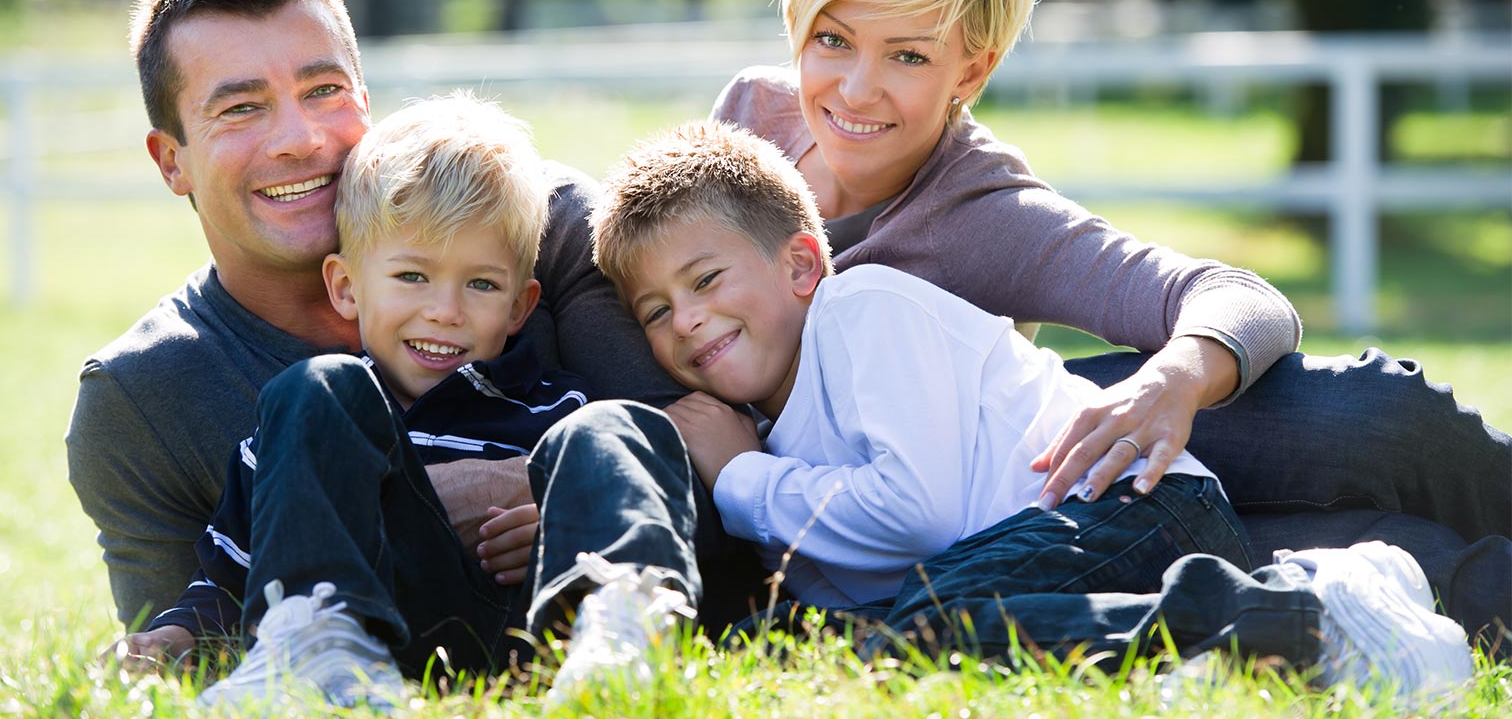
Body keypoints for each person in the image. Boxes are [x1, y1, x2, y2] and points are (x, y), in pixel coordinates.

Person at [706, 0, 1509, 647]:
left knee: (1370, 415)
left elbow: (1233, 295)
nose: (854, 89)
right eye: (832, 40)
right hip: (934, 515)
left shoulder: (981, 212)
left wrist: (1174, 379)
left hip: (1023, 463)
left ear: (972, 70)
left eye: (908, 56)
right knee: (1351, 552)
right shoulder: (751, 122)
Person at [588, 120, 1473, 701]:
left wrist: (739, 478)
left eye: (705, 281)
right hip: (1050, 557)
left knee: (930, 624)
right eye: (657, 311)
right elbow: (852, 592)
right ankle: (1207, 660)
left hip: (1126, 501)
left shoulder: (862, 312)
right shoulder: (768, 429)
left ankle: (1308, 610)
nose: (688, 318)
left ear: (801, 266)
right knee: (896, 643)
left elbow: (916, 510)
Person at [65, 0, 682, 633]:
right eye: (241, 108)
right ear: (171, 162)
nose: (297, 139)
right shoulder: (140, 398)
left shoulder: (546, 228)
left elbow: (694, 472)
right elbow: (194, 651)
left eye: (323, 90)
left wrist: (553, 488)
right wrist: (384, 509)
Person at [116, 95, 599, 705]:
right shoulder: (310, 423)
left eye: (480, 284)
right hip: (348, 643)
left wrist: (560, 527)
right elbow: (230, 576)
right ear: (346, 287)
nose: (444, 311)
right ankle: (313, 644)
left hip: (497, 641)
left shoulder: (557, 410)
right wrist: (175, 634)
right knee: (316, 384)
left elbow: (623, 505)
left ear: (520, 307)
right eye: (412, 277)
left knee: (611, 434)